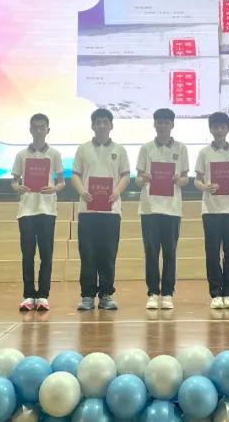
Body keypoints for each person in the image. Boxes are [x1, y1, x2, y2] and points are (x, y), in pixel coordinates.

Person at [71, 108, 131, 311]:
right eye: (98, 122)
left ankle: (106, 294)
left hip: (111, 211)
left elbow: (125, 175)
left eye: (105, 122)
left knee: (108, 253)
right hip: (87, 211)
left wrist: (116, 192)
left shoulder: (119, 150)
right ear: (92, 125)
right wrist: (82, 192)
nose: (102, 125)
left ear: (111, 125)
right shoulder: (83, 149)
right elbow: (75, 175)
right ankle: (87, 295)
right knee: (87, 253)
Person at [135, 108, 189, 310]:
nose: (163, 126)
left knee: (170, 252)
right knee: (151, 252)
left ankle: (167, 293)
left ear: (172, 125)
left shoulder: (181, 148)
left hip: (172, 209)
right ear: (154, 124)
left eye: (166, 122)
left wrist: (179, 180)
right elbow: (138, 180)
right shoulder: (146, 148)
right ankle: (152, 293)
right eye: (159, 122)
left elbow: (185, 179)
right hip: (149, 208)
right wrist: (144, 178)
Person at [10, 113, 64, 312]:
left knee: (46, 254)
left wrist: (54, 188)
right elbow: (14, 181)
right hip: (26, 210)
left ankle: (43, 295)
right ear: (30, 129)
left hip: (47, 210)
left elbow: (61, 182)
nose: (39, 130)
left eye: (42, 127)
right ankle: (28, 295)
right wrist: (18, 187)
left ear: (48, 130)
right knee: (27, 255)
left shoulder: (54, 154)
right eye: (35, 127)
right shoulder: (21, 155)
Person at [194, 112, 229, 309]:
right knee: (212, 253)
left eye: (222, 127)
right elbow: (197, 180)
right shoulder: (204, 153)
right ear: (210, 129)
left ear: (227, 129)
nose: (219, 130)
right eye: (215, 127)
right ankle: (215, 293)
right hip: (210, 209)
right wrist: (205, 186)